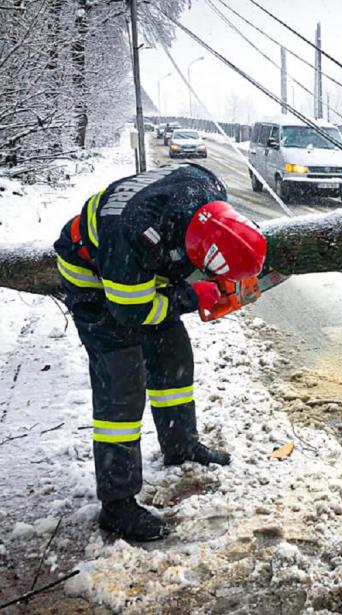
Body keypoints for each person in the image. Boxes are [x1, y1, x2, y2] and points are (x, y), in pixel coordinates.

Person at [54, 162, 267, 541]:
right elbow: (132, 311)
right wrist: (190, 296)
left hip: (143, 269)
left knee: (174, 357)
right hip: (96, 278)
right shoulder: (131, 234)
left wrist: (221, 284)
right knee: (122, 386)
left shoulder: (209, 187)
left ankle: (180, 445)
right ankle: (117, 505)